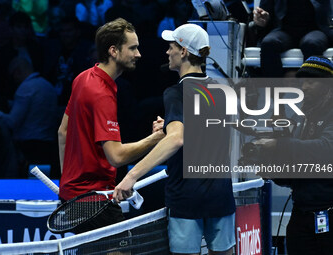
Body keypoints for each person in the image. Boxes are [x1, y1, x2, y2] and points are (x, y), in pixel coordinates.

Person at [113, 24, 236, 255]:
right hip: (220, 194)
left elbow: (177, 140)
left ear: (184, 52)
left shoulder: (175, 93)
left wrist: (131, 175)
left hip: (187, 197)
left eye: (171, 47)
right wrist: (170, 127)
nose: (167, 52)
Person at [58, 18, 164, 209]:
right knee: (130, 240)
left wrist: (68, 183)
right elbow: (116, 157)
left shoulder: (83, 78)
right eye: (132, 48)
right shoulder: (101, 94)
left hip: (72, 196)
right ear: (113, 51)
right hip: (95, 199)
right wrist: (156, 138)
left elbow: (62, 133)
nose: (138, 54)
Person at [255, 56, 333, 254]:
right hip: (301, 212)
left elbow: (325, 150)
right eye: (302, 82)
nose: (304, 87)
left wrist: (280, 145)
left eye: (311, 82)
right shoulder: (302, 117)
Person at [0, 57, 59, 178]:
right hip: (48, 144)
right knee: (44, 182)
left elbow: (12, 122)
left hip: (28, 147)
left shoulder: (25, 88)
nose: (14, 80)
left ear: (17, 71)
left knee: (28, 182)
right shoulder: (48, 86)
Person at [253, 0, 333, 77]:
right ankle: (273, 88)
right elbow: (264, 16)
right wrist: (263, 20)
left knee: (311, 44)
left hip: (315, 29)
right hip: (283, 30)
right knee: (269, 43)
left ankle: (312, 89)